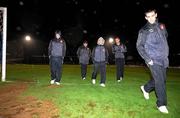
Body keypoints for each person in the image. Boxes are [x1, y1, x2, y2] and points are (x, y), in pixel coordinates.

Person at [136, 9, 169, 114]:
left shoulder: (161, 26)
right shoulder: (144, 30)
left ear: (156, 15)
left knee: (161, 80)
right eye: (148, 16)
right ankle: (161, 104)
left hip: (163, 58)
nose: (150, 18)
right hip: (152, 59)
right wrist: (148, 59)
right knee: (160, 81)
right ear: (146, 17)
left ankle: (145, 88)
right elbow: (139, 46)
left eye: (152, 15)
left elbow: (165, 37)